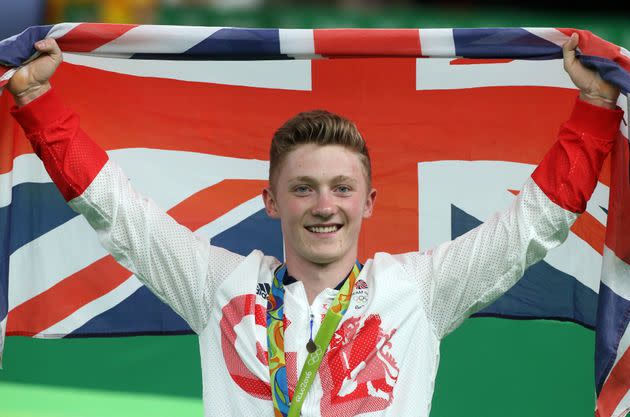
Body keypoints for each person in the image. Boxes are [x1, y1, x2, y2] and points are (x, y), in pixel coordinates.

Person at [6, 33, 623, 417]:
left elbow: (533, 225)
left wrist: (595, 108)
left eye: (341, 188)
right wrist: (37, 102)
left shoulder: (420, 291)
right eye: (302, 188)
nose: (323, 204)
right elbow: (118, 213)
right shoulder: (219, 285)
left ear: (368, 202)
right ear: (271, 202)